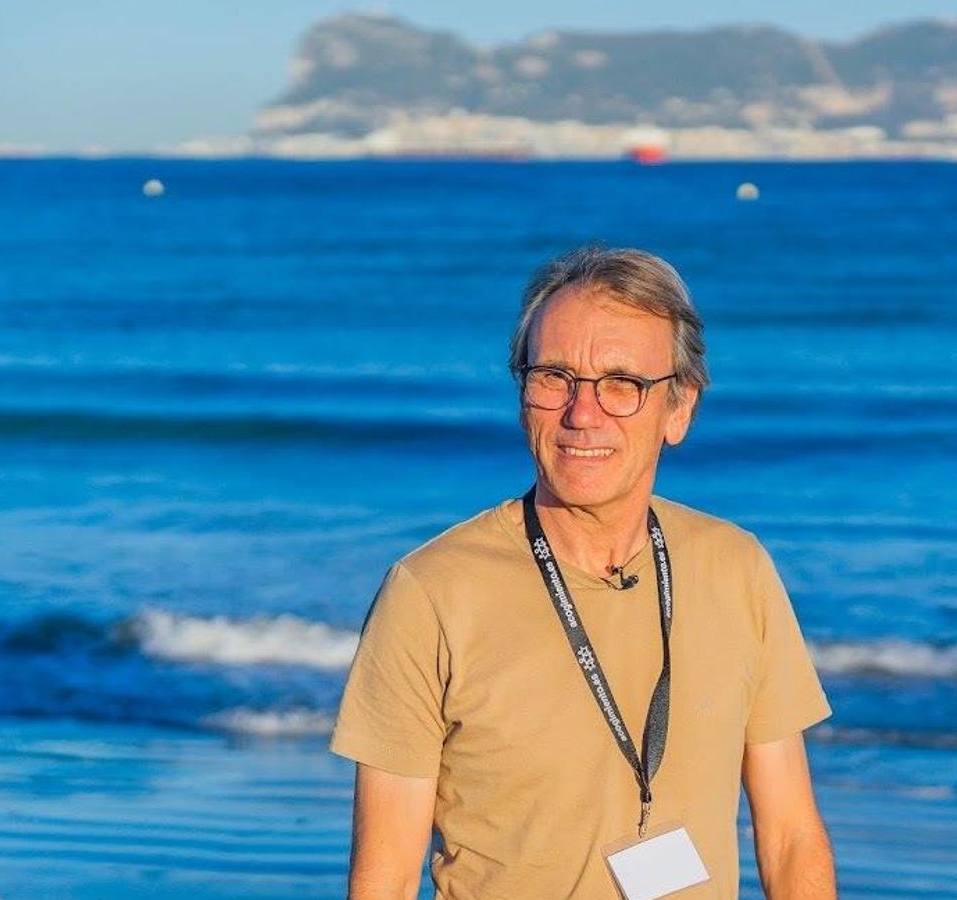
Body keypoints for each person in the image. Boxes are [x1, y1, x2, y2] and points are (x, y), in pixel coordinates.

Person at [331, 246, 836, 899]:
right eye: (553, 376)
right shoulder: (431, 594)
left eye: (622, 383)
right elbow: (387, 879)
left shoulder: (734, 567)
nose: (582, 412)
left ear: (679, 409)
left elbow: (792, 837)